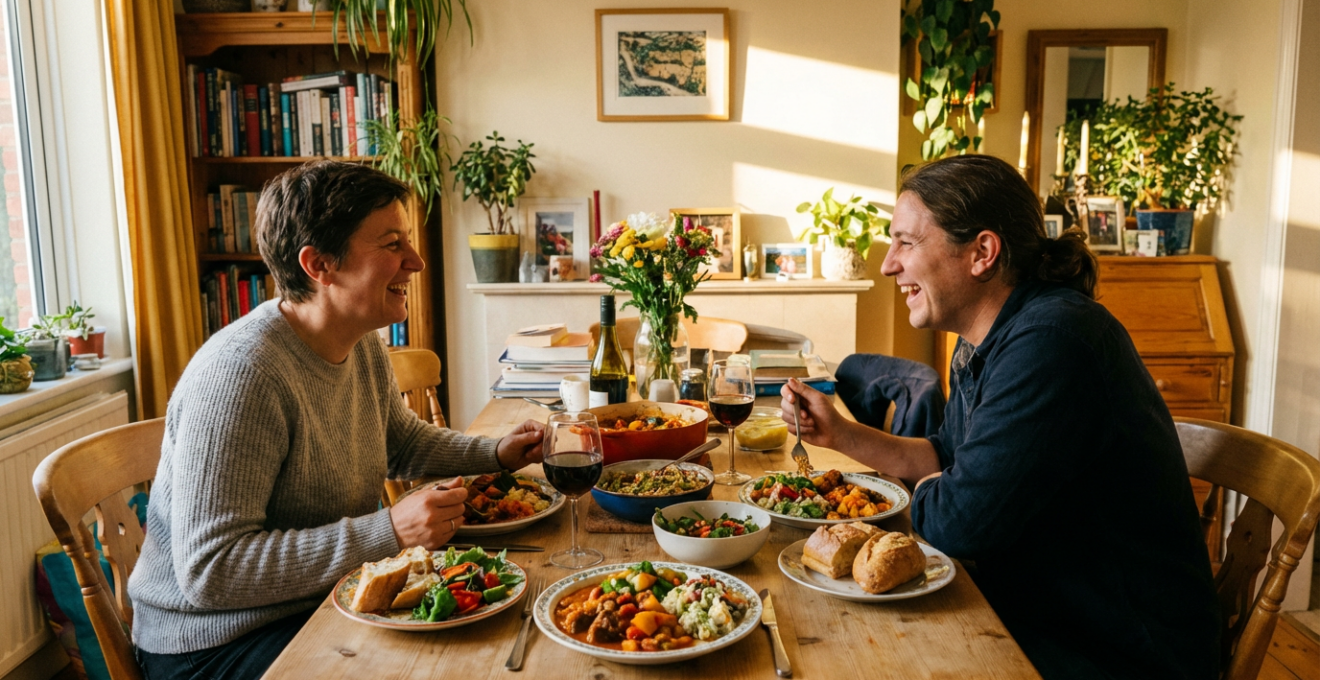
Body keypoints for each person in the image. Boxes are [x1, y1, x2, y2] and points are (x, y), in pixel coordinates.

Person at [782, 155, 1219, 679]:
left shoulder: (1053, 341)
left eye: (906, 242)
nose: (888, 264)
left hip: (1115, 650)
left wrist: (952, 491)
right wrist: (842, 433)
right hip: (1029, 604)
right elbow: (946, 457)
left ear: (982, 253)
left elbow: (959, 523)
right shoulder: (983, 339)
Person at [127, 161, 546, 680]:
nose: (414, 261)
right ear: (319, 264)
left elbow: (402, 442)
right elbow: (213, 571)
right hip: (213, 642)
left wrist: (496, 453)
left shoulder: (361, 342)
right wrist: (388, 530)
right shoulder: (241, 374)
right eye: (392, 244)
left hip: (319, 599)